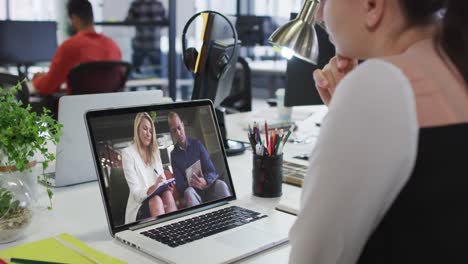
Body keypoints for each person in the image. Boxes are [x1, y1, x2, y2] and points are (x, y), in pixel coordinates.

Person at [289, 0, 468, 263]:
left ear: (372, 6)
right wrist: (346, 113)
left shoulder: (380, 84)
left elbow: (313, 255)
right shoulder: (454, 67)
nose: (318, 14)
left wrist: (352, 105)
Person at [32, 0, 122, 95]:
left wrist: (37, 78)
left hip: (77, 108)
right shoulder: (113, 45)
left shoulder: (70, 46)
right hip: (107, 107)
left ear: (74, 18)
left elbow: (48, 86)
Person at [121, 112, 176, 224]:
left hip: (158, 198)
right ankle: (163, 237)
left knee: (168, 195)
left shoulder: (155, 153)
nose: (148, 134)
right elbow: (136, 195)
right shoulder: (128, 154)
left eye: (151, 131)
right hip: (139, 206)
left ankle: (176, 232)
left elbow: (162, 179)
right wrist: (153, 187)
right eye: (145, 129)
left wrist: (167, 187)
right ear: (137, 130)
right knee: (156, 200)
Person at [167, 112, 231, 207]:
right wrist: (191, 183)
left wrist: (205, 181)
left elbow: (211, 171)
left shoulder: (197, 144)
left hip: (208, 186)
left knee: (221, 184)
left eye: (179, 128)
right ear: (172, 132)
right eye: (174, 130)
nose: (178, 133)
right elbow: (180, 185)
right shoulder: (174, 155)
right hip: (192, 191)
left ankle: (230, 211)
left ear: (183, 125)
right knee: (188, 192)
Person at [125, 0, 166, 75]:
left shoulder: (136, 4)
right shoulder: (158, 4)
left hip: (140, 44)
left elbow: (128, 22)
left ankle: (135, 85)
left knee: (135, 73)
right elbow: (165, 22)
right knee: (158, 73)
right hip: (154, 44)